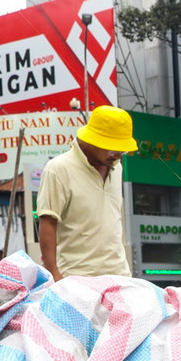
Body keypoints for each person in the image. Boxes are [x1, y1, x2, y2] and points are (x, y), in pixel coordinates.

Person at [36, 105, 136, 280]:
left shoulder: (117, 167)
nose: (118, 156)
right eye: (113, 150)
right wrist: (53, 274)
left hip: (120, 275)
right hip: (76, 278)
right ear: (91, 141)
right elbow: (48, 222)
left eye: (122, 151)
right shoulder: (59, 169)